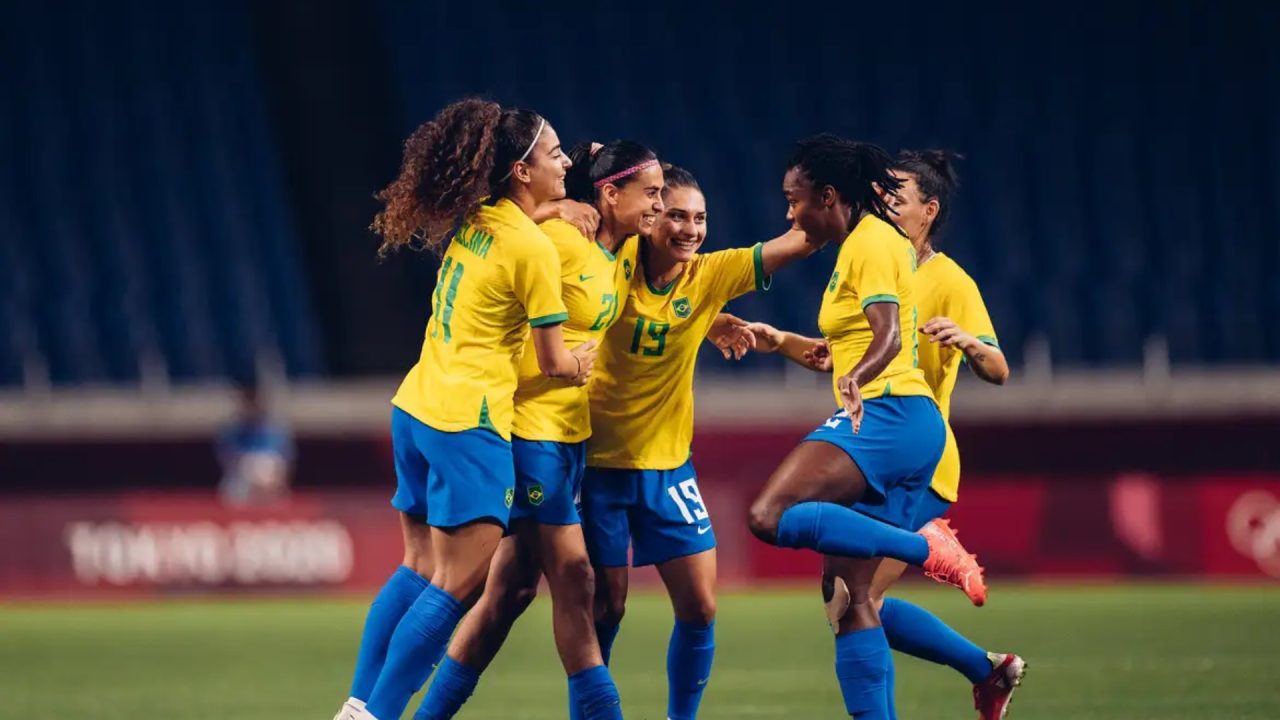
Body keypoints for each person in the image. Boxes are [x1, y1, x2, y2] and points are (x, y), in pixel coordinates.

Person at [334, 98, 597, 720]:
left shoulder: (476, 218)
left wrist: (557, 205)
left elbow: (520, 220)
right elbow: (555, 361)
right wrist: (581, 365)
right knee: (458, 585)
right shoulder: (533, 252)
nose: (566, 162)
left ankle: (358, 703)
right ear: (521, 171)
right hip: (468, 421)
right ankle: (377, 714)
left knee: (419, 567)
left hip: (417, 404)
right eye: (554, 153)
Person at [737, 150, 1025, 719]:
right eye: (882, 193)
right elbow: (841, 354)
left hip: (910, 445)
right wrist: (781, 341)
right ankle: (987, 670)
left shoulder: (942, 277)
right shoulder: (879, 254)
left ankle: (937, 565)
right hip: (885, 431)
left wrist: (968, 341)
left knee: (850, 595)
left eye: (898, 197)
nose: (885, 202)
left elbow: (996, 368)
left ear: (928, 211)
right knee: (850, 599)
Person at [411, 140, 662, 720]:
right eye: (648, 193)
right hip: (530, 430)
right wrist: (549, 211)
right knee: (575, 577)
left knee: (512, 591)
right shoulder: (555, 242)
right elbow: (512, 236)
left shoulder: (620, 252)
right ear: (609, 194)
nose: (657, 203)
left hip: (570, 436)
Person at [577, 163, 817, 720]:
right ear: (650, 215)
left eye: (701, 218)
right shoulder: (608, 264)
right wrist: (564, 207)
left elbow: (800, 241)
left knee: (702, 607)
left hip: (668, 468)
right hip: (596, 466)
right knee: (606, 609)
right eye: (677, 215)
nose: (690, 229)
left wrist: (833, 191)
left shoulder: (710, 276)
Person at [215, 382, 293, 506]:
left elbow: (284, 461)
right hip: (241, 478)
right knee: (233, 486)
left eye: (254, 402)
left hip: (270, 480)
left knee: (268, 468)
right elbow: (228, 458)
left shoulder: (274, 429)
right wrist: (249, 467)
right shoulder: (232, 430)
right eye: (247, 403)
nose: (251, 407)